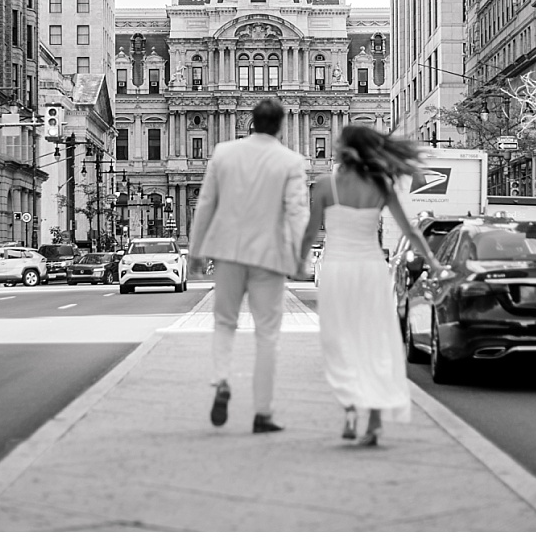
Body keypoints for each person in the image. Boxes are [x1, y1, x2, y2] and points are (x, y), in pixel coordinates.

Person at [305, 125, 438, 446]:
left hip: (338, 271)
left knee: (340, 342)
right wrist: (433, 262)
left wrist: (297, 262)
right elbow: (411, 231)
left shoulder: (325, 186)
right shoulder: (381, 185)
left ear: (347, 149)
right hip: (371, 271)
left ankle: (351, 408)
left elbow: (309, 232)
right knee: (374, 342)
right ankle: (375, 419)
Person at [188, 97, 308, 434]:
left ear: (251, 123)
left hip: (227, 250)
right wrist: (301, 257)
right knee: (268, 333)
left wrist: (195, 250)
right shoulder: (291, 161)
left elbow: (206, 204)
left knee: (224, 322)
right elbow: (298, 212)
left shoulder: (224, 154)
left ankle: (222, 379)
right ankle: (263, 412)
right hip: (269, 256)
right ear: (280, 125)